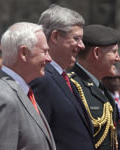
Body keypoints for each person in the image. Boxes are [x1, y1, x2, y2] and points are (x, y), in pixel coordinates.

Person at [0, 22, 56, 150]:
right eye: (44, 51)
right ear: (23, 53)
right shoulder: (3, 99)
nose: (49, 59)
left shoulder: (20, 90)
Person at [29, 4, 95, 150]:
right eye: (77, 38)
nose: (82, 45)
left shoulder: (61, 77)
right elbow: (37, 139)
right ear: (55, 36)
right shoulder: (41, 78)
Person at [68, 24, 120, 150]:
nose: (118, 58)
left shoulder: (101, 88)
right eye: (114, 52)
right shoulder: (71, 86)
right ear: (96, 53)